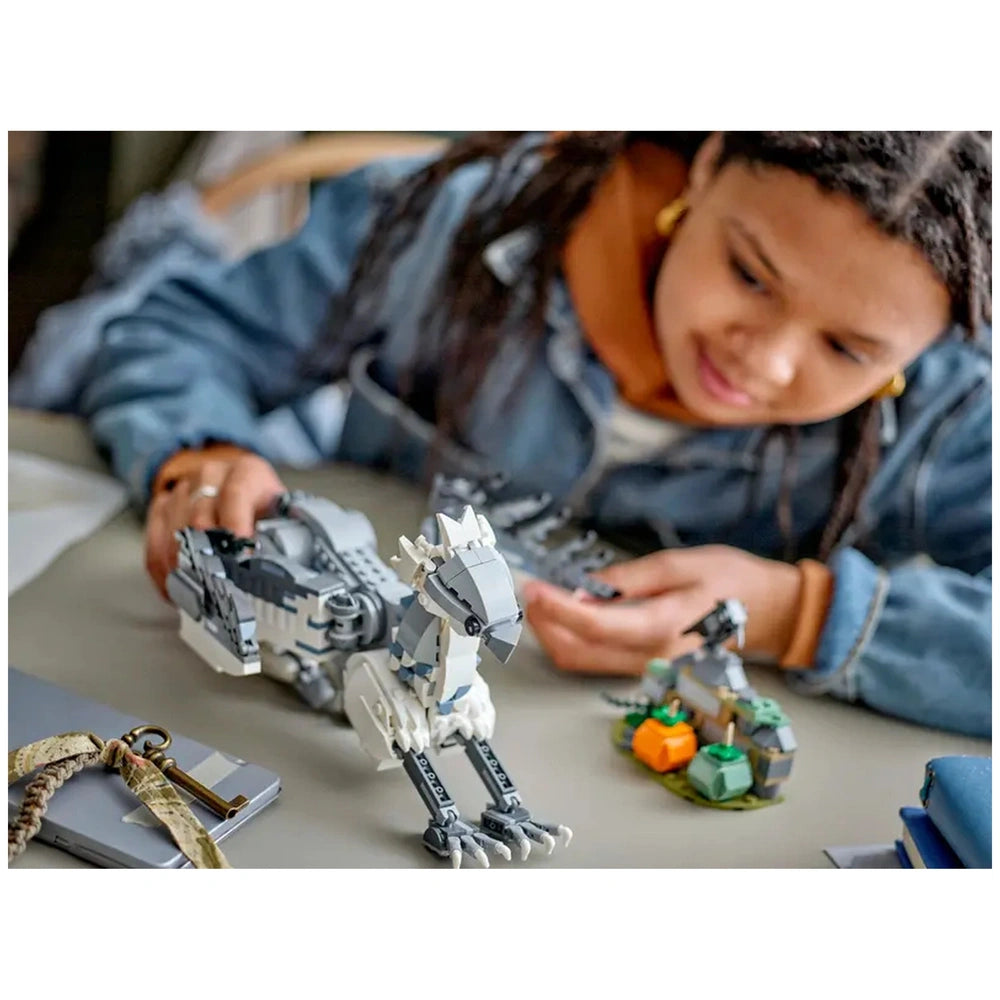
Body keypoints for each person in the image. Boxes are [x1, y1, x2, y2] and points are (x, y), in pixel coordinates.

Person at [78, 131, 992, 738]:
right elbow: (180, 332)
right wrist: (195, 450)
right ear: (708, 164)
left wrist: (799, 612)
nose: (767, 362)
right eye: (750, 274)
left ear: (935, 346)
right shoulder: (452, 223)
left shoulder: (946, 419)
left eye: (849, 348)